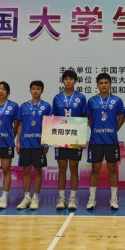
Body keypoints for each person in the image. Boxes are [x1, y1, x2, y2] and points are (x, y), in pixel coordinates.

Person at [86, 73, 125, 210]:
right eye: (101, 83)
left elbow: (121, 118)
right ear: (97, 85)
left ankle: (114, 198)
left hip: (111, 140)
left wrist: (113, 130)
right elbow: (89, 119)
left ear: (110, 84)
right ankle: (92, 198)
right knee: (95, 169)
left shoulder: (117, 100)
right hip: (95, 140)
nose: (103, 85)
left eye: (106, 83)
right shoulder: (92, 101)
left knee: (112, 169)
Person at [52, 70, 87, 210]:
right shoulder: (57, 98)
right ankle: (61, 198)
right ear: (63, 81)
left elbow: (84, 117)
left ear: (75, 81)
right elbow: (54, 118)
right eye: (66, 79)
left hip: (75, 138)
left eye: (71, 79)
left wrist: (83, 127)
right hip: (60, 138)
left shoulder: (81, 98)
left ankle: (72, 198)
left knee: (73, 168)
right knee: (61, 168)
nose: (68, 81)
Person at [16, 81, 52, 210]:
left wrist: (47, 142)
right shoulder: (24, 106)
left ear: (42, 91)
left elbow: (49, 124)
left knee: (38, 170)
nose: (35, 91)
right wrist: (18, 141)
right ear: (30, 91)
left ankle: (35, 197)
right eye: (33, 88)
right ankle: (27, 197)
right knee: (26, 170)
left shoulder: (47, 106)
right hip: (25, 143)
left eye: (38, 89)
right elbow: (20, 124)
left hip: (39, 144)